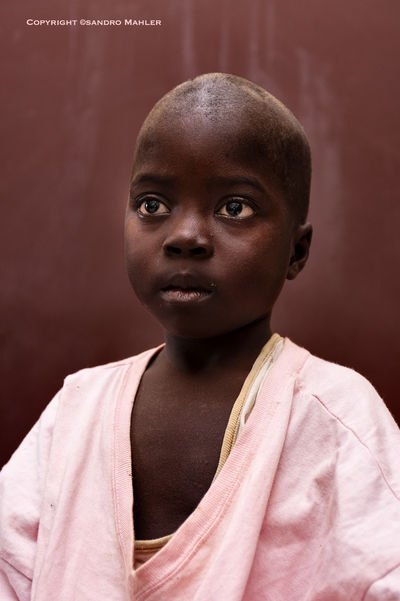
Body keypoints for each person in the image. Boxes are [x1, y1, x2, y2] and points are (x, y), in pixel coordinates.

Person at [1, 73, 399, 600]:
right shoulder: (76, 410)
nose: (185, 236)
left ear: (297, 252)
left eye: (234, 208)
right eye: (152, 205)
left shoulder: (336, 417)